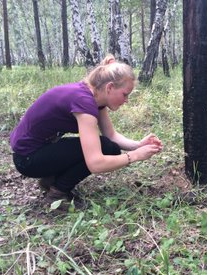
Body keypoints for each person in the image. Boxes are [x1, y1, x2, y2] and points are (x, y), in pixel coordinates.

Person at [10, 55, 163, 203]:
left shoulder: (94, 95)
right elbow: (95, 163)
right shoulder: (84, 102)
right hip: (27, 159)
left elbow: (111, 135)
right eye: (125, 94)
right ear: (110, 87)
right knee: (106, 148)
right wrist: (135, 156)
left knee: (108, 146)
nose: (126, 100)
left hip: (36, 151)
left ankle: (51, 180)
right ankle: (57, 193)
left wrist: (138, 145)